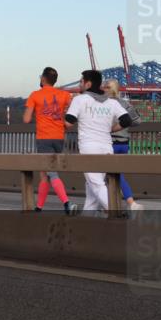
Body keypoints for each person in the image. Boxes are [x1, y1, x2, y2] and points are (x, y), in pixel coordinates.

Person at [66, 70, 132, 214]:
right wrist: (111, 129)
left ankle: (116, 213)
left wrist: (55, 119)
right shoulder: (111, 102)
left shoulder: (80, 99)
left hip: (89, 148)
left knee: (96, 184)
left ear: (88, 83)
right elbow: (127, 120)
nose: (79, 84)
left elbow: (69, 122)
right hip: (107, 148)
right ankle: (87, 221)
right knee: (91, 189)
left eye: (81, 81)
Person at [23, 67, 78, 214]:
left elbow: (26, 119)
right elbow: (74, 110)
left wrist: (37, 113)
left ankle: (67, 203)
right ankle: (39, 207)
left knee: (51, 172)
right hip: (59, 137)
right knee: (44, 174)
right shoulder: (64, 95)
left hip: (44, 138)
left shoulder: (35, 95)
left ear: (42, 79)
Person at [103, 79, 143, 212]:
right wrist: (125, 126)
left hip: (111, 142)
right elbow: (138, 121)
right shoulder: (126, 104)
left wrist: (115, 127)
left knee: (104, 175)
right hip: (124, 143)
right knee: (118, 174)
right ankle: (124, 203)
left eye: (105, 87)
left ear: (109, 89)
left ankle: (119, 204)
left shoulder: (105, 104)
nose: (103, 89)